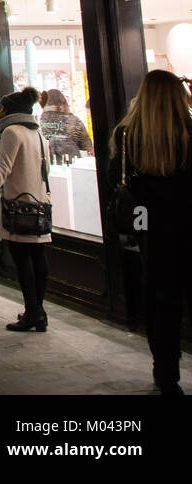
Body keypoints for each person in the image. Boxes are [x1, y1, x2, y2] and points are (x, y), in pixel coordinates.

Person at [109, 70, 192, 394]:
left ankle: (166, 373)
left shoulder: (128, 133)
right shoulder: (187, 131)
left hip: (151, 229)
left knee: (162, 299)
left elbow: (117, 178)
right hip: (187, 225)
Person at [0, 87, 52, 333]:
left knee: (22, 260)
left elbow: (2, 170)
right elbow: (44, 172)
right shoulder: (38, 135)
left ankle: (32, 312)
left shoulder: (10, 132)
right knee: (38, 258)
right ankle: (39, 311)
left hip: (17, 207)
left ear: (10, 110)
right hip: (38, 205)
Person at [39, 88, 93, 160]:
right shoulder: (74, 121)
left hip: (49, 164)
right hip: (72, 164)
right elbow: (87, 146)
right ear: (64, 102)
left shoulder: (40, 123)